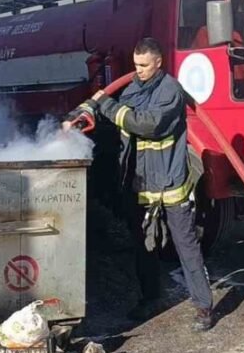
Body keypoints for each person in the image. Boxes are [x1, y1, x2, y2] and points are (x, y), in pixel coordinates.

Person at [65, 37, 215, 331]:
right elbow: (114, 116)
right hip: (141, 185)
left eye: (144, 65)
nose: (139, 70)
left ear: (159, 62)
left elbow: (147, 124)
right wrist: (84, 114)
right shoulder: (133, 88)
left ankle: (203, 307)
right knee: (143, 247)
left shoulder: (170, 91)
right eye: (136, 65)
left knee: (186, 246)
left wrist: (106, 104)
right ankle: (150, 299)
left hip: (170, 186)